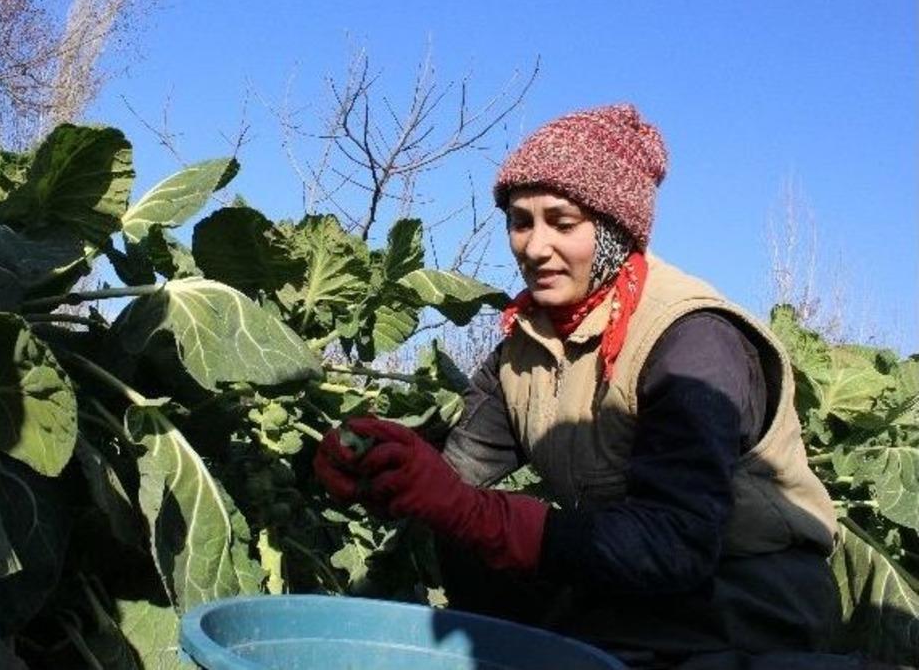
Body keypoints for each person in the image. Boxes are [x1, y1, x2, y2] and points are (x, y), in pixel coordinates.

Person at [314, 104, 845, 669]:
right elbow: (455, 476)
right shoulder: (523, 347)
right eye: (521, 221)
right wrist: (381, 465)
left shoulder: (692, 342)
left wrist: (476, 513)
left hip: (748, 590)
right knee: (472, 551)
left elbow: (675, 545)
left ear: (615, 230)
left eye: (562, 223)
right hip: (629, 582)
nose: (535, 246)